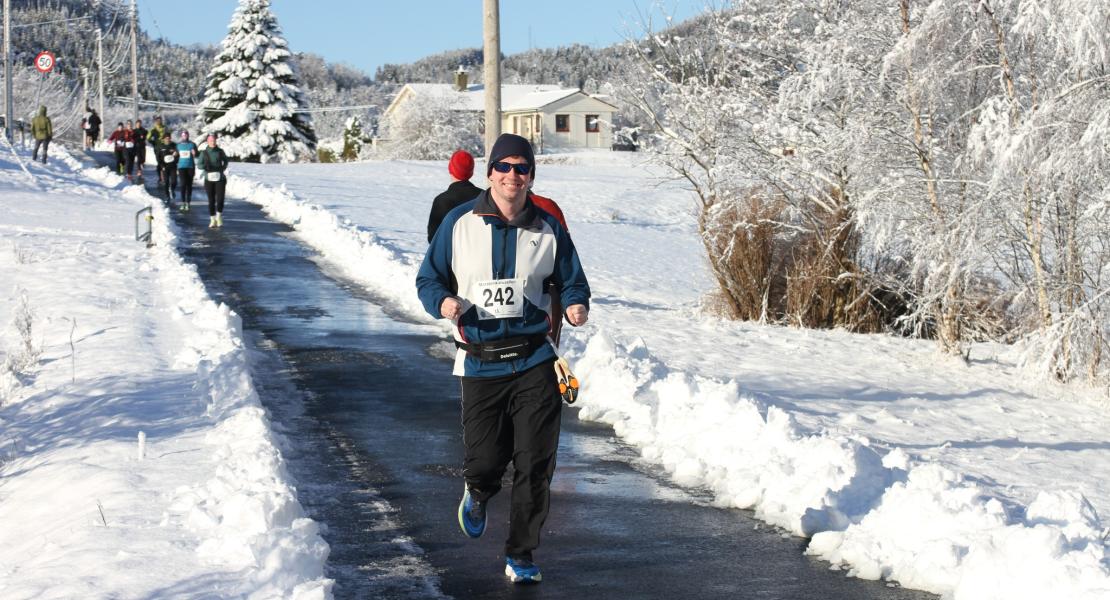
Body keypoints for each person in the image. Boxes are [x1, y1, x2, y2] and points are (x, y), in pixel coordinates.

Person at [415, 133, 590, 585]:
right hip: (480, 361)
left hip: (534, 359)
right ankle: (478, 490)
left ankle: (522, 552)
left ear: (532, 175)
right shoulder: (458, 222)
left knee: (535, 462)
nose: (513, 175)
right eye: (505, 167)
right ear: (489, 172)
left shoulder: (548, 226)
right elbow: (428, 278)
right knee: (487, 460)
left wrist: (575, 304)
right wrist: (444, 303)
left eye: (523, 168)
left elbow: (572, 277)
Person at [427, 149, 482, 243]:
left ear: (450, 169)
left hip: (451, 256)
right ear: (471, 172)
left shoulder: (441, 201)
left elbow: (433, 239)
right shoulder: (485, 198)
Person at [197, 133, 229, 228]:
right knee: (211, 200)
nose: (213, 142)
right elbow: (199, 165)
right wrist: (205, 166)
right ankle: (212, 219)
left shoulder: (220, 151)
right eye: (211, 141)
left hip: (220, 178)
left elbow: (226, 161)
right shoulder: (204, 152)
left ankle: (219, 216)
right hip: (209, 179)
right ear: (208, 142)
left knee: (220, 199)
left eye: (214, 140)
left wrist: (223, 168)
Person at [175, 131, 199, 211]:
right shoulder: (178, 145)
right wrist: (175, 155)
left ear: (188, 136)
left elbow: (197, 154)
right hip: (181, 167)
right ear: (181, 136)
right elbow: (176, 156)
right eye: (183, 135)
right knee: (183, 184)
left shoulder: (192, 144)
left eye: (186, 135)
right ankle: (183, 202)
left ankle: (188, 202)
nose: (184, 136)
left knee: (189, 185)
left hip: (190, 167)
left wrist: (195, 153)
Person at [154, 132, 179, 202]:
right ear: (164, 139)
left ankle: (172, 190)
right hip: (165, 167)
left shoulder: (174, 145)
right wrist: (161, 165)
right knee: (166, 181)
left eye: (169, 138)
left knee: (174, 181)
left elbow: (178, 155)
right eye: (166, 138)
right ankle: (167, 195)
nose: (168, 139)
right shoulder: (160, 147)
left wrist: (176, 158)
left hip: (173, 166)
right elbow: (158, 157)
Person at [148, 117, 167, 182]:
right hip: (157, 148)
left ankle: (164, 176)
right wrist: (153, 142)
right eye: (157, 120)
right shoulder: (153, 129)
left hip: (165, 147)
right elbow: (148, 138)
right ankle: (160, 176)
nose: (159, 121)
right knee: (159, 162)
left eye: (160, 120)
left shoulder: (165, 128)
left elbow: (169, 135)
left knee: (165, 161)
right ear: (155, 122)